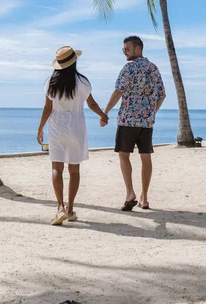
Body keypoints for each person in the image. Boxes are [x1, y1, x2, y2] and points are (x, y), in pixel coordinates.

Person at [37, 46, 108, 225]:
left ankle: (60, 207)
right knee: (74, 170)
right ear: (74, 61)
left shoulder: (50, 82)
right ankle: (70, 210)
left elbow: (48, 107)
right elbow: (91, 103)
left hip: (56, 127)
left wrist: (40, 128)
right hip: (76, 127)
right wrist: (102, 115)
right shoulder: (82, 82)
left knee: (56, 168)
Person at [102, 36, 165, 211]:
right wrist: (151, 112)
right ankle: (144, 198)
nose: (124, 52)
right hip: (146, 123)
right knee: (146, 157)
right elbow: (162, 95)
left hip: (127, 120)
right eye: (123, 49)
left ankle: (130, 193)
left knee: (123, 155)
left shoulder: (129, 68)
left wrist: (105, 112)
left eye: (127, 49)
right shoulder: (153, 68)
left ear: (138, 48)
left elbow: (117, 92)